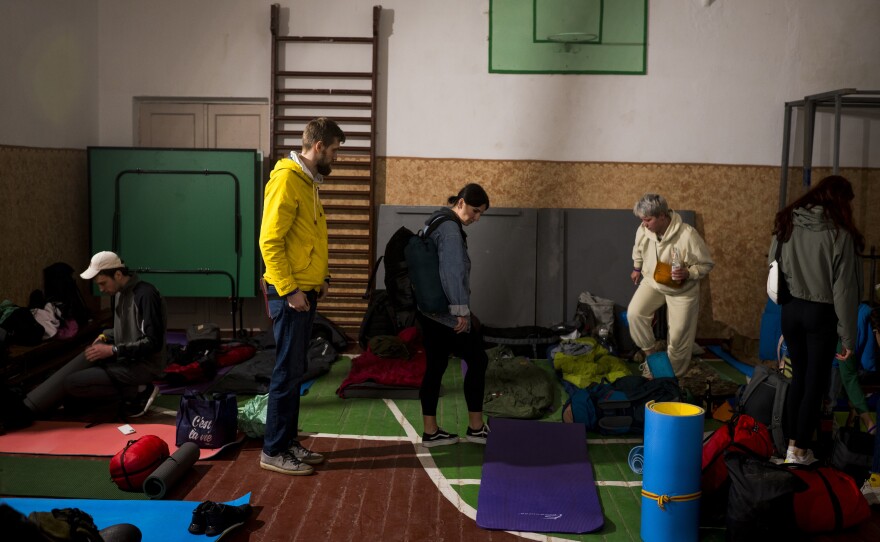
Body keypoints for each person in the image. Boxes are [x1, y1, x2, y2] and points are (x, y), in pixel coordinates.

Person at [258, 117, 344, 475]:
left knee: (296, 371)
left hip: (305, 291)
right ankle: (273, 451)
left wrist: (320, 277)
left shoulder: (308, 182)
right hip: (291, 294)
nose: (336, 159)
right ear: (319, 146)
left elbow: (308, 236)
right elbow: (270, 241)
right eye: (335, 151)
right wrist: (290, 289)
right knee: (286, 373)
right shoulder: (286, 180)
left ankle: (287, 441)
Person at [769, 175, 863, 465]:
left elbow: (773, 262)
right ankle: (799, 450)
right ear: (840, 201)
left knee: (798, 378)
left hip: (790, 311)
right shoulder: (840, 234)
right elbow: (844, 290)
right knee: (815, 383)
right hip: (820, 314)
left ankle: (787, 445)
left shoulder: (788, 221)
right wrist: (848, 337)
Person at [24, 251, 166, 418]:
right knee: (73, 384)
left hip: (145, 366)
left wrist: (112, 350)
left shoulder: (145, 295)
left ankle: (139, 390)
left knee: (73, 383)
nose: (101, 289)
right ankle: (30, 407)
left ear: (118, 275)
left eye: (103, 283)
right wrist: (105, 336)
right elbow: (127, 330)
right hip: (126, 359)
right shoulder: (120, 293)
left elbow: (153, 341)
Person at [417, 183, 491, 447]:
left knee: (435, 367)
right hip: (447, 315)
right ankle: (475, 427)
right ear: (460, 202)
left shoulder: (434, 221)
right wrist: (461, 312)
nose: (476, 218)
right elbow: (452, 273)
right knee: (478, 360)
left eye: (481, 213)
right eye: (474, 210)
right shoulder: (449, 229)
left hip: (428, 311)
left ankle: (431, 431)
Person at [627, 194, 714, 378]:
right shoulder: (644, 230)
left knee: (678, 339)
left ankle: (671, 378)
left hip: (682, 291)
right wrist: (637, 268)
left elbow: (706, 264)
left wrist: (688, 273)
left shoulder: (687, 235)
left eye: (648, 220)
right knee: (634, 313)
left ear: (662, 216)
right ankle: (652, 358)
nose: (644, 224)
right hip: (653, 282)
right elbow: (638, 249)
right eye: (642, 220)